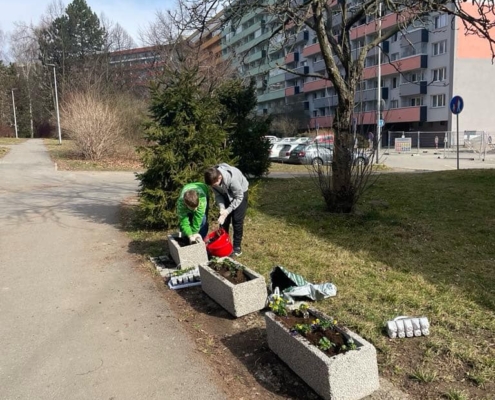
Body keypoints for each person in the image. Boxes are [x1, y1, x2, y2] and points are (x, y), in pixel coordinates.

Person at [204, 163, 249, 257]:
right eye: (212, 185)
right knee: (223, 221)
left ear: (220, 177)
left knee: (237, 220)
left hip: (240, 193)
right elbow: (218, 195)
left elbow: (238, 197)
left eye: (214, 184)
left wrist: (228, 211)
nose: (213, 186)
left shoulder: (232, 180)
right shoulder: (213, 179)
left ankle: (237, 248)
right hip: (225, 192)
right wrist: (222, 208)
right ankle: (222, 243)